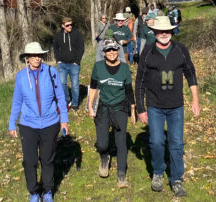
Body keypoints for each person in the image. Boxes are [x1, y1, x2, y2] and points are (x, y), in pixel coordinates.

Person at [135, 16, 200, 197]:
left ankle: (177, 178)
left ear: (172, 31)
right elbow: (139, 81)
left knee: (177, 143)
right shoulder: (147, 52)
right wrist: (141, 108)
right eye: (160, 31)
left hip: (176, 106)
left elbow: (190, 74)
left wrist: (195, 100)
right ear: (154, 32)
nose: (164, 34)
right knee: (156, 142)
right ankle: (157, 172)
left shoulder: (180, 50)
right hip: (154, 105)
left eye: (167, 30)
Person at [8, 42, 69, 202]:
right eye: (33, 55)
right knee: (30, 161)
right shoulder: (21, 77)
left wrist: (64, 119)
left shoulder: (51, 72)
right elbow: (17, 101)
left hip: (50, 123)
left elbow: (61, 96)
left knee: (47, 159)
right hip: (28, 124)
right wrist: (12, 122)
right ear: (27, 58)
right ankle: (34, 192)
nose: (37, 58)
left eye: (39, 55)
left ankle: (48, 191)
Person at [88, 38, 136, 188]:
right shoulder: (98, 67)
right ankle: (104, 157)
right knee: (102, 144)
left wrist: (133, 110)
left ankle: (121, 175)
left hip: (120, 108)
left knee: (121, 142)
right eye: (108, 50)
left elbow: (129, 90)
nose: (112, 52)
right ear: (104, 52)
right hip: (103, 108)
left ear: (118, 51)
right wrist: (90, 106)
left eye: (114, 49)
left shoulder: (124, 68)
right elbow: (94, 87)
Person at [53, 17, 84, 111]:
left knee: (75, 85)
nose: (70, 26)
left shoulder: (77, 34)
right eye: (67, 25)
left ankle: (75, 103)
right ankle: (67, 100)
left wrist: (77, 61)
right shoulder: (58, 35)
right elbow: (55, 48)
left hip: (74, 64)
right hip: (62, 64)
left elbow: (81, 48)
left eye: (71, 24)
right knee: (62, 83)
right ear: (63, 26)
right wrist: (58, 60)